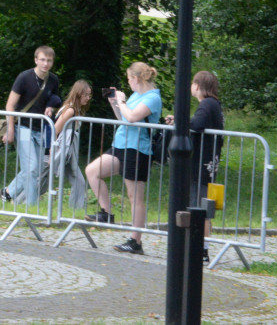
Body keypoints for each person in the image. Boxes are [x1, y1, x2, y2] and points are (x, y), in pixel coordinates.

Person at [84, 61, 162, 255]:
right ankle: (106, 213)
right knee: (92, 171)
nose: (129, 84)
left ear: (136, 79)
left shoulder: (153, 98)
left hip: (137, 149)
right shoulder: (136, 95)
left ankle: (135, 241)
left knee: (135, 196)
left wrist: (122, 101)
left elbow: (134, 117)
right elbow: (124, 118)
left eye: (129, 80)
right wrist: (114, 103)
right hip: (120, 145)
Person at [165, 70, 224, 253]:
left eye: (192, 83)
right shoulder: (212, 104)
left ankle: (202, 250)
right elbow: (199, 122)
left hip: (202, 164)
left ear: (197, 86)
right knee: (202, 206)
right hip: (207, 163)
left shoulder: (206, 104)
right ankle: (201, 247)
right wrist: (181, 121)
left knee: (199, 208)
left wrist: (181, 124)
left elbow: (198, 125)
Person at [1, 46, 62, 206]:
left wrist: (51, 107)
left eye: (49, 60)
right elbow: (10, 105)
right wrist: (11, 129)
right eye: (42, 59)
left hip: (41, 128)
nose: (45, 63)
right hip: (23, 126)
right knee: (32, 167)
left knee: (35, 168)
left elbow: (54, 99)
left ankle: (8, 192)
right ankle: (32, 207)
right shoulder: (24, 77)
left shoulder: (53, 80)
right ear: (36, 60)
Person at [48, 79, 92, 209]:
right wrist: (52, 149)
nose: (88, 98)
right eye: (85, 95)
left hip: (66, 153)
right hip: (59, 151)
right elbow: (56, 128)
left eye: (89, 95)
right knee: (41, 179)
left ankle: (75, 210)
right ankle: (18, 198)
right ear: (78, 94)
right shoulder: (71, 110)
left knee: (79, 182)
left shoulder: (73, 109)